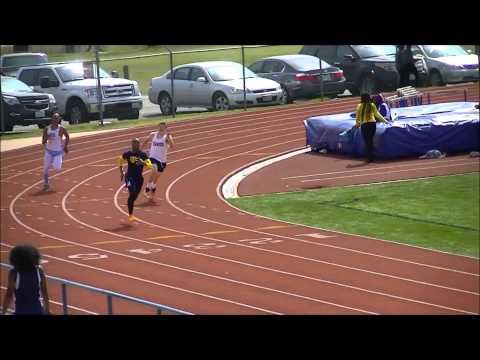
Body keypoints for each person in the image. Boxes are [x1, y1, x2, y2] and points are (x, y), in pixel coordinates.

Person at [1, 245, 50, 315]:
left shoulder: (14, 273)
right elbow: (44, 293)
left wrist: (3, 312)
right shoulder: (39, 271)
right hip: (38, 311)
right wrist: (47, 311)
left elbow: (9, 294)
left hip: (21, 311)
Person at [117, 138, 152, 222]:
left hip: (139, 178)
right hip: (129, 177)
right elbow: (120, 159)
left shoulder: (143, 155)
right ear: (131, 144)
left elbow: (150, 165)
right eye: (133, 143)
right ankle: (130, 215)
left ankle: (130, 207)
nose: (134, 145)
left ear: (139, 144)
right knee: (132, 192)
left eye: (136, 143)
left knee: (134, 197)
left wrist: (143, 163)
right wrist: (121, 171)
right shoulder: (128, 154)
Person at [141, 122, 175, 200]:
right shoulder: (153, 134)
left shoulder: (167, 136)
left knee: (156, 178)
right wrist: (140, 150)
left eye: (163, 127)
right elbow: (145, 142)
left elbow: (173, 146)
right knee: (154, 170)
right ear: (158, 127)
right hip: (153, 157)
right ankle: (146, 190)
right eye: (160, 126)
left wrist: (169, 137)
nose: (161, 128)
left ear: (166, 128)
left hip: (162, 160)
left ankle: (152, 189)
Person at [355, 93, 388, 163]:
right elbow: (377, 114)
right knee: (371, 140)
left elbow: (358, 117)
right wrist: (385, 121)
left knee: (367, 141)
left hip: (365, 125)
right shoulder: (372, 105)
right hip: (373, 124)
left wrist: (357, 124)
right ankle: (372, 156)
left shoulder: (359, 106)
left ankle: (370, 157)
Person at [41, 113, 69, 191]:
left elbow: (67, 136)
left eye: (57, 118)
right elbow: (43, 142)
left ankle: (54, 160)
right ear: (52, 119)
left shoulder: (62, 129)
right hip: (49, 151)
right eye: (54, 118)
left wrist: (65, 146)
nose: (56, 120)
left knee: (57, 168)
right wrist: (47, 138)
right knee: (45, 168)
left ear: (59, 119)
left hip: (58, 152)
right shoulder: (47, 129)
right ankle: (46, 184)